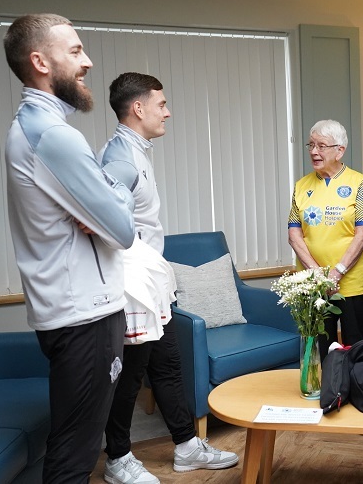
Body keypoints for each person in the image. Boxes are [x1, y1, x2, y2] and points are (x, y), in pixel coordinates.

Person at [3, 13, 136, 483]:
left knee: (74, 445)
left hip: (72, 312)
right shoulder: (55, 136)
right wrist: (114, 187)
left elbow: (105, 217)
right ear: (40, 61)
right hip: (85, 317)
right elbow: (122, 229)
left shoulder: (32, 126)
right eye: (76, 51)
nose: (88, 62)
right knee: (74, 457)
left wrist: (101, 194)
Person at [99, 72, 238, 484]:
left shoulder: (136, 150)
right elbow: (110, 218)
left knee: (168, 364)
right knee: (131, 375)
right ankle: (117, 459)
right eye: (161, 104)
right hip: (133, 285)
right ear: (138, 108)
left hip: (152, 280)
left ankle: (186, 447)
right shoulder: (119, 158)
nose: (168, 111)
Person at [288, 120, 363, 359]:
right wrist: (317, 275)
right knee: (319, 347)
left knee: (358, 347)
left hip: (351, 283)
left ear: (340, 150)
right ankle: (327, 393)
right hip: (312, 282)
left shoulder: (360, 183)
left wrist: (337, 272)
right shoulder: (301, 186)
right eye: (311, 145)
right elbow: (294, 235)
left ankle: (361, 392)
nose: (314, 152)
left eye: (322, 146)